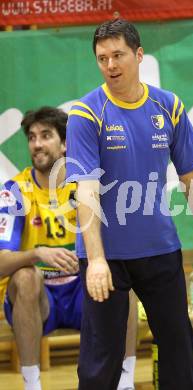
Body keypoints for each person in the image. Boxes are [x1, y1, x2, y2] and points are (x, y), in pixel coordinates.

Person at [66, 19, 193, 390]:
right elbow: (86, 191)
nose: (110, 65)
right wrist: (97, 261)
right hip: (106, 256)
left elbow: (192, 179)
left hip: (158, 248)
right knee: (100, 359)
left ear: (139, 55)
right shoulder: (86, 113)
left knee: (178, 349)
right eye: (102, 58)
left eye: (118, 55)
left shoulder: (167, 106)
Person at [0, 106, 137, 390]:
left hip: (82, 293)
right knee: (25, 277)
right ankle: (32, 385)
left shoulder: (86, 185)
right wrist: (37, 254)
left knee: (123, 275)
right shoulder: (14, 190)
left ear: (64, 145)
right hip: (39, 300)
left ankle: (125, 382)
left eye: (46, 135)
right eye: (32, 137)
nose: (36, 144)